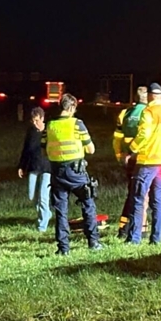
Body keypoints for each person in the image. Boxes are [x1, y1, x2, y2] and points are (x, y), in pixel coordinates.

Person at [42, 93, 102, 255]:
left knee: (61, 210)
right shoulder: (77, 124)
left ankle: (63, 248)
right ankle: (93, 242)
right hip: (76, 172)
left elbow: (43, 149)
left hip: (57, 172)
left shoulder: (50, 125)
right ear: (71, 107)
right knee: (88, 203)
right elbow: (91, 149)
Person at [126, 83, 161, 245]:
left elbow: (144, 134)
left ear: (149, 96)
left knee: (138, 199)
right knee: (157, 200)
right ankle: (156, 238)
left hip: (147, 161)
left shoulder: (148, 112)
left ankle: (134, 238)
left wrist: (132, 149)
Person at [112, 85, 149, 239]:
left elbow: (117, 137)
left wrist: (119, 155)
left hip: (127, 158)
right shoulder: (149, 113)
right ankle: (142, 228)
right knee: (144, 194)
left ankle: (123, 227)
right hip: (144, 157)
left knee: (132, 192)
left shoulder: (125, 113)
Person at [17, 107, 51, 232]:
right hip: (33, 166)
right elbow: (26, 149)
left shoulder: (49, 131)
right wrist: (21, 166)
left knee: (43, 196)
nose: (35, 123)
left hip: (47, 167)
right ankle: (46, 213)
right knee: (32, 196)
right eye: (33, 121)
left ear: (42, 118)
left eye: (37, 120)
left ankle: (42, 224)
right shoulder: (31, 132)